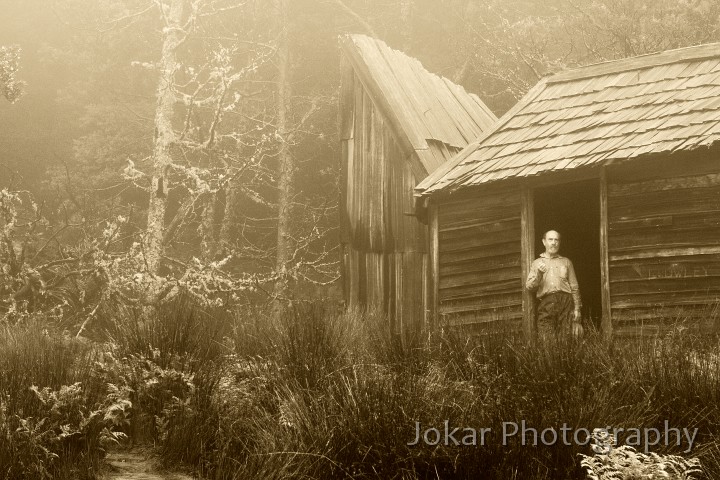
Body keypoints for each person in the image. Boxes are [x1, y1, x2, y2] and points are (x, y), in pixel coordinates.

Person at [525, 230, 582, 338]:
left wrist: (577, 309)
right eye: (550, 239)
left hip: (565, 302)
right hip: (546, 302)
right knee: (546, 337)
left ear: (559, 243)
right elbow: (530, 287)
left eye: (556, 240)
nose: (554, 242)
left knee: (566, 337)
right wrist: (539, 274)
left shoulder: (566, 262)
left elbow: (574, 287)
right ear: (544, 242)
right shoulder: (537, 263)